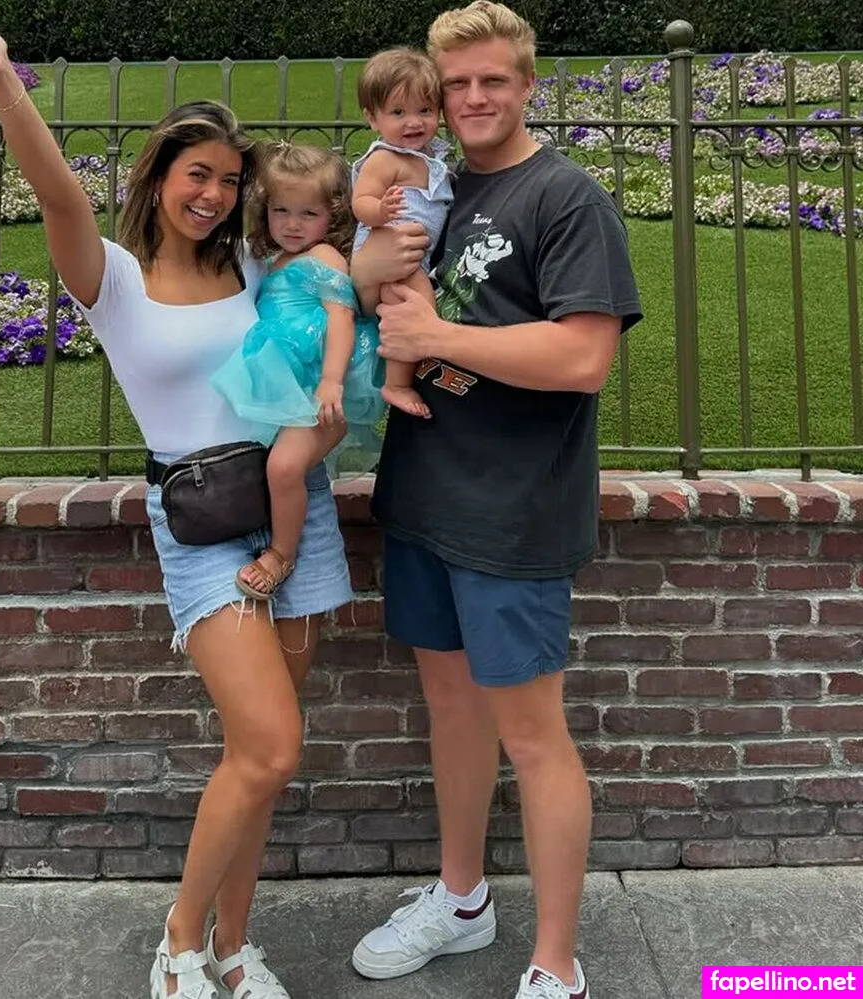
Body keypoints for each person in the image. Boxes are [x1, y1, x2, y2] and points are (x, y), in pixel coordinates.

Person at [0, 9, 353, 999]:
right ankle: (179, 942)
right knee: (272, 744)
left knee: (258, 759)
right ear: (159, 174)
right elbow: (56, 190)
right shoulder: (115, 279)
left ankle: (235, 946)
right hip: (201, 521)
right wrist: (4, 80)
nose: (213, 195)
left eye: (228, 181)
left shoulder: (256, 265)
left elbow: (334, 288)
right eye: (197, 174)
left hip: (292, 506)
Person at [349, 3, 643, 998]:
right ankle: (462, 898)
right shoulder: (432, 185)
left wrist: (436, 338)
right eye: (457, 84)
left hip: (513, 509)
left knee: (532, 735)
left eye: (493, 80)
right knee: (453, 711)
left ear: (527, 85)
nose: (473, 98)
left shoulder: (565, 197)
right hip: (425, 493)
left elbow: (584, 357)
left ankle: (556, 964)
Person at [211, 142, 385, 601]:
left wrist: (331, 381)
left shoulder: (324, 257)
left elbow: (342, 318)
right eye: (281, 211)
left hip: (318, 389)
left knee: (285, 466)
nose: (292, 224)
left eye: (308, 214)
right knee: (270, 466)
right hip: (289, 384)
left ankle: (281, 555)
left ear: (333, 215)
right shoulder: (274, 260)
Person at [350, 46, 453, 420]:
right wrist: (380, 212)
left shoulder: (432, 158)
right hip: (386, 245)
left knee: (405, 313)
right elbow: (360, 201)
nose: (413, 122)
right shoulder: (384, 158)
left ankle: (409, 369)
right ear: (372, 118)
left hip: (412, 253)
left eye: (424, 110)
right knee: (418, 306)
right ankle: (397, 382)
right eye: (398, 113)